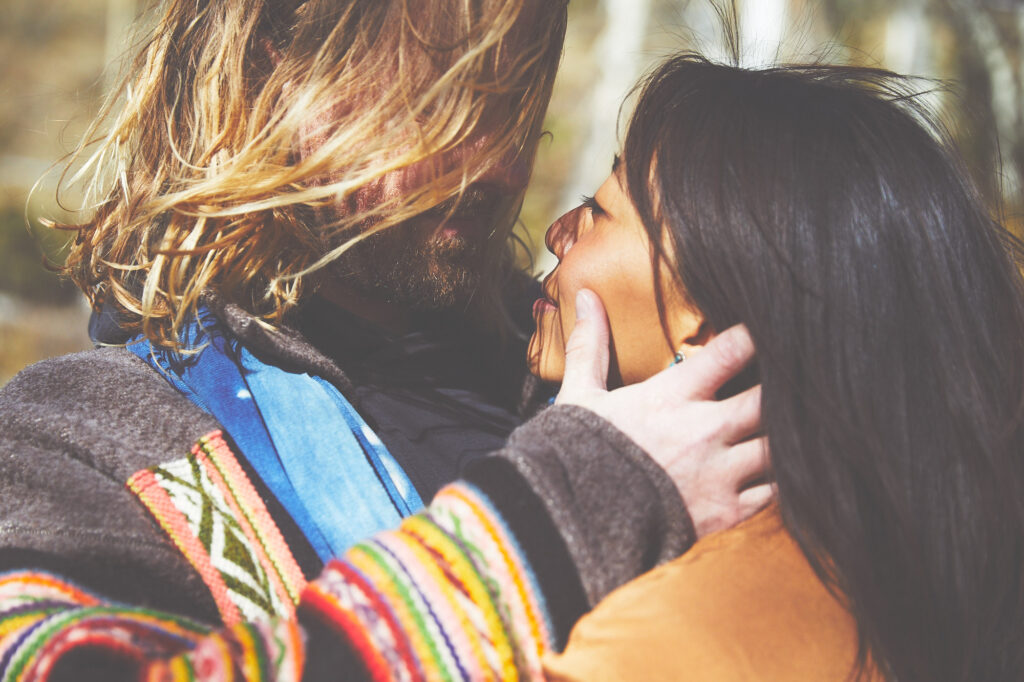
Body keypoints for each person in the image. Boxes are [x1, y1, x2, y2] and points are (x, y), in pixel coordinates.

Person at [0, 2, 770, 679]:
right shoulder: (71, 436)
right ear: (280, 66)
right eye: (446, 98)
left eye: (517, 97)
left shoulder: (607, 371)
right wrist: (563, 523)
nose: (499, 160)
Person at [533, 55, 1024, 681]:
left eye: (597, 212)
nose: (555, 233)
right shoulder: (923, 586)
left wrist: (563, 492)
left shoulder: (656, 645)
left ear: (706, 324)